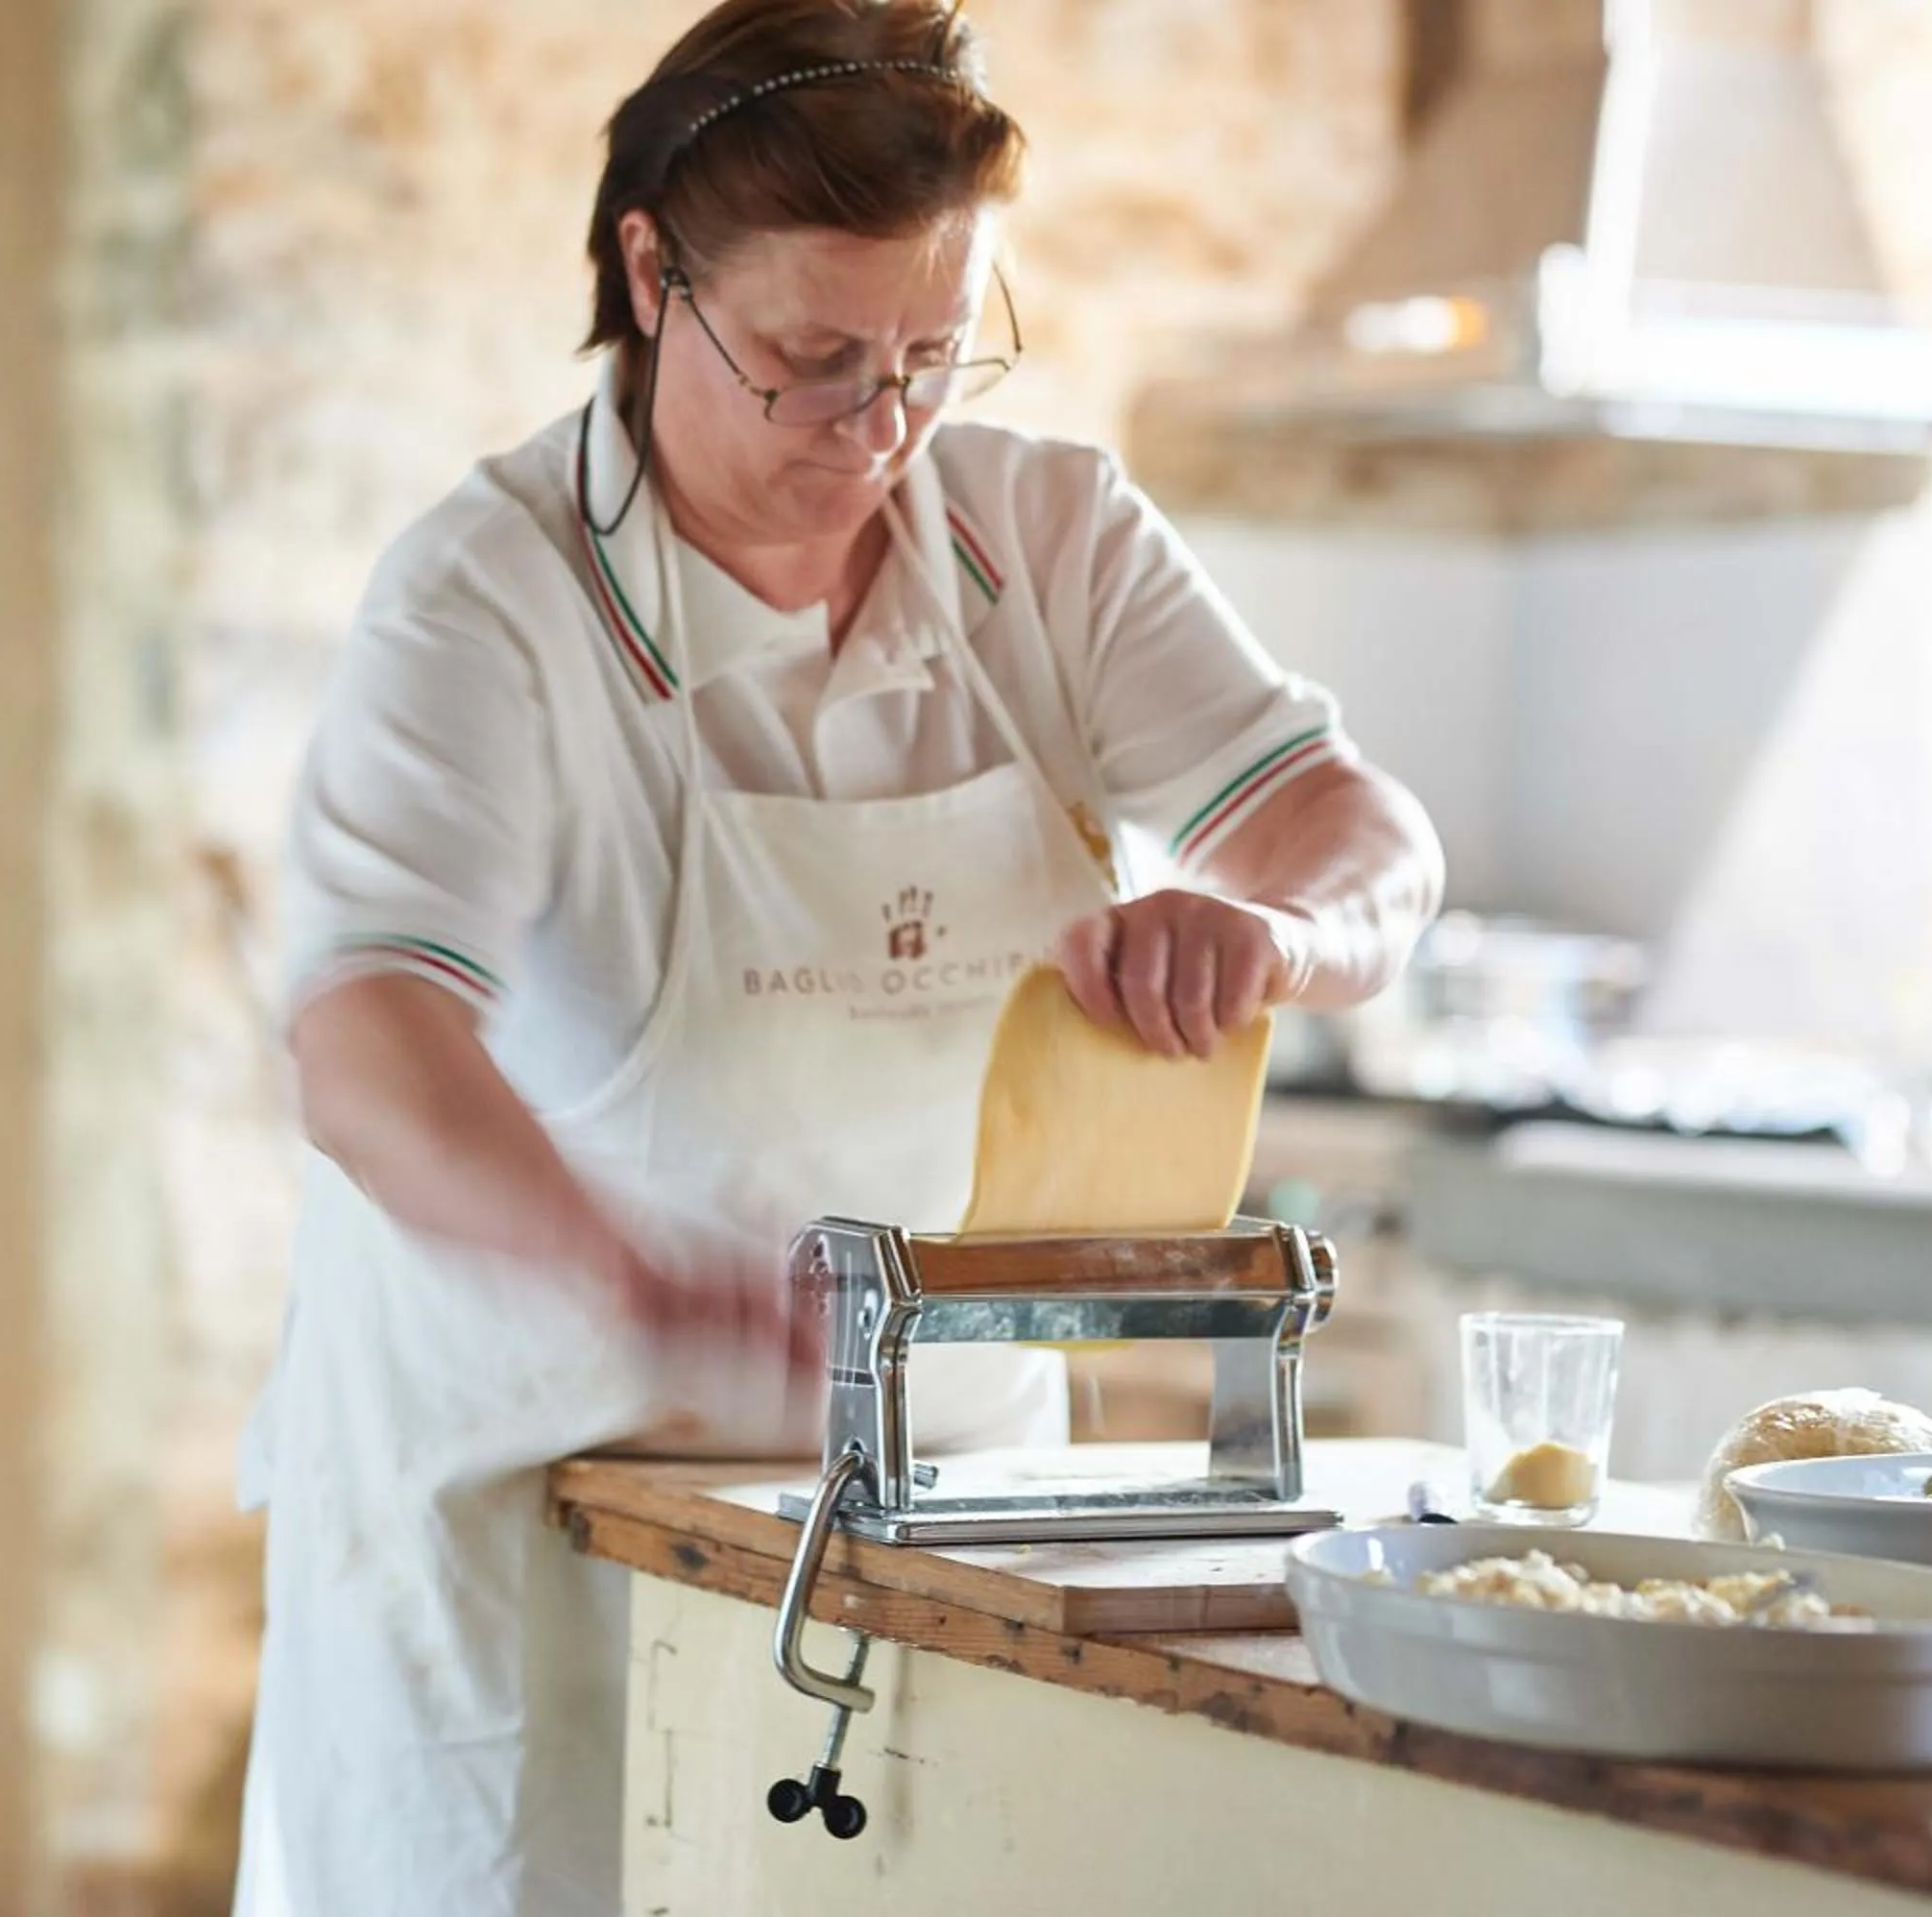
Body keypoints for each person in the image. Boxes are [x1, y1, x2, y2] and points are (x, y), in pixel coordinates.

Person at [229, 2, 1444, 1911]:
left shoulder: (1050, 539)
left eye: (935, 357)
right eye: (814, 360)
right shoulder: (491, 599)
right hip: (533, 1524)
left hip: (948, 1528)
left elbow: (1370, 840)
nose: (879, 429)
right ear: (652, 274)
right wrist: (638, 1270)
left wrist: (1278, 925)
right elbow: (370, 1045)